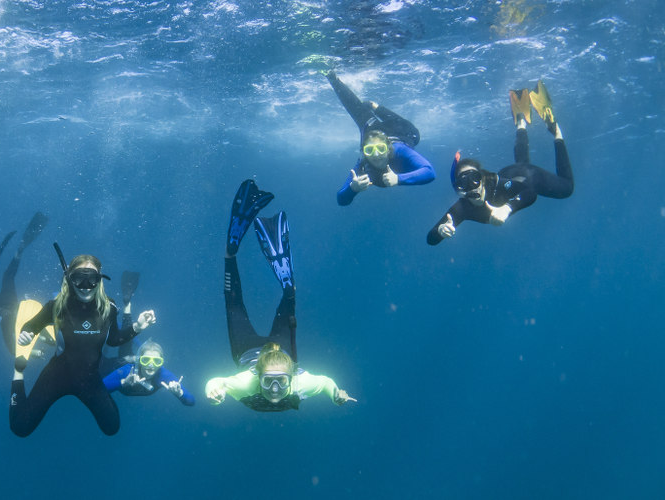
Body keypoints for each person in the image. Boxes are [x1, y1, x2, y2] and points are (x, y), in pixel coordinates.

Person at [206, 180, 355, 411]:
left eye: (280, 381)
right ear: (258, 377)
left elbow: (219, 382)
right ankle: (287, 289)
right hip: (279, 350)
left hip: (248, 350)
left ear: (290, 377)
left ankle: (232, 255)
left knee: (234, 305)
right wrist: (334, 392)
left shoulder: (246, 384)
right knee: (239, 305)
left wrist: (215, 390)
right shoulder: (296, 384)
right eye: (269, 381)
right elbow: (325, 382)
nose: (274, 388)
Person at [10, 254, 157, 437]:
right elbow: (30, 325)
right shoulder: (56, 306)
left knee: (112, 428)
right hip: (57, 374)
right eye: (79, 278)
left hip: (89, 378)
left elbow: (113, 339)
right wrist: (27, 334)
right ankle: (18, 371)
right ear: (70, 279)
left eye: (92, 279)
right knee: (20, 427)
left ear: (99, 280)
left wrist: (138, 327)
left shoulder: (109, 307)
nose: (86, 286)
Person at [427, 80, 573, 245]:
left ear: (482, 178)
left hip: (529, 177)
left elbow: (530, 193)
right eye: (464, 182)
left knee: (567, 189)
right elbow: (430, 239)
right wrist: (440, 231)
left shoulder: (498, 185)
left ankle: (556, 132)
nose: (472, 185)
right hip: (513, 172)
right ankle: (520, 121)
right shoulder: (463, 207)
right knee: (521, 163)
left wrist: (508, 208)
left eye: (474, 178)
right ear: (459, 188)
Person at [325, 70, 435, 206]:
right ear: (364, 151)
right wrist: (353, 189)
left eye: (381, 149)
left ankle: (377, 108)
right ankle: (331, 75)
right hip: (372, 129)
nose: (376, 154)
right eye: (370, 150)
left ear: (388, 149)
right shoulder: (363, 163)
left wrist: (398, 179)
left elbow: (430, 172)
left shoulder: (399, 150)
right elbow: (341, 199)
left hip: (402, 133)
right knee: (358, 110)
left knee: (414, 134)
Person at [0, 212, 49, 354]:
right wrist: (36, 352)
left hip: (4, 302)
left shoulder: (11, 324)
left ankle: (9, 256)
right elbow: (12, 348)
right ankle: (6, 257)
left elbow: (13, 348)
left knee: (6, 277)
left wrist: (36, 352)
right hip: (1, 304)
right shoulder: (9, 324)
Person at [102, 340, 195, 406]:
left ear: (161, 363)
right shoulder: (126, 371)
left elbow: (191, 401)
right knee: (104, 362)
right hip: (115, 365)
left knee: (131, 344)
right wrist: (122, 382)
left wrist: (179, 393)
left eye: (157, 361)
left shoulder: (163, 375)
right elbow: (98, 390)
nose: (151, 365)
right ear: (139, 361)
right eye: (145, 360)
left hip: (135, 356)